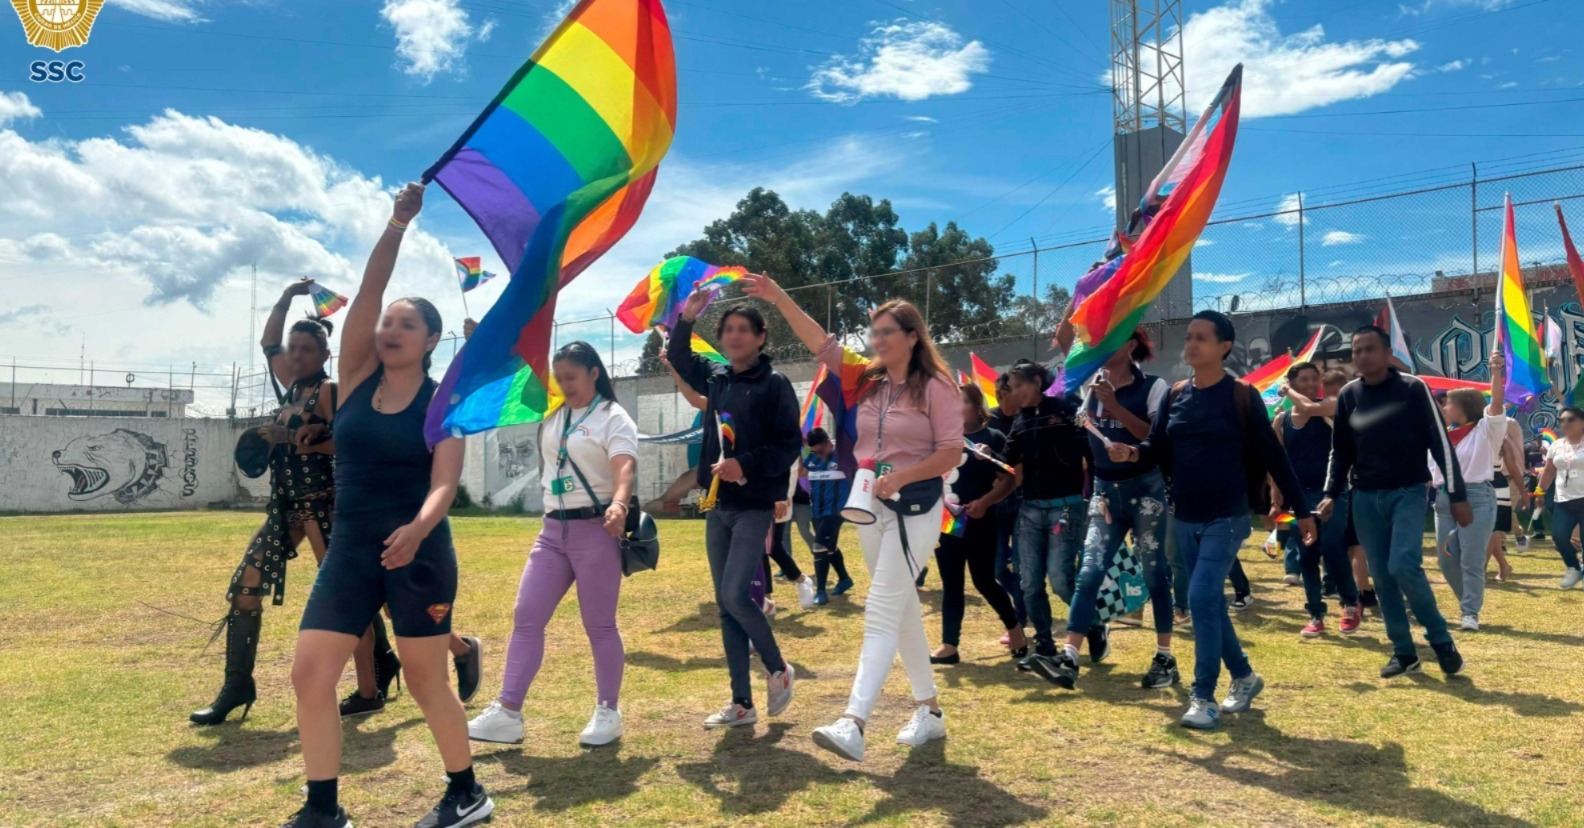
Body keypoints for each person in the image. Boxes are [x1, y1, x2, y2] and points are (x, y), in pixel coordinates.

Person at [285, 183, 492, 828]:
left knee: (425, 677)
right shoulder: (352, 379)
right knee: (310, 674)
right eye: (387, 323)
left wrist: (418, 527)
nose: (389, 328)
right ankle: (323, 808)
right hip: (350, 548)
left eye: (407, 323)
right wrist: (396, 224)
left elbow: (444, 483)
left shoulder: (443, 402)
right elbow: (368, 294)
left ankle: (467, 793)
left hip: (420, 551)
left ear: (431, 339)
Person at [746, 275, 961, 763]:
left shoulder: (938, 388)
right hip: (867, 506)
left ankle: (854, 722)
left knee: (882, 610)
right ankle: (930, 712)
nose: (876, 340)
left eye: (886, 332)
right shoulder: (866, 378)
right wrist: (778, 296)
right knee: (901, 608)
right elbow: (820, 343)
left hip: (915, 509)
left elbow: (949, 452)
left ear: (912, 337)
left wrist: (903, 477)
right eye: (873, 332)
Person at [192, 282, 399, 725]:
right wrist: (286, 298)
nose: (296, 356)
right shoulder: (290, 389)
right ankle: (237, 686)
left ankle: (370, 687)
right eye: (294, 350)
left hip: (325, 509)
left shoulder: (329, 390)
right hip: (285, 509)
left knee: (348, 600)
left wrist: (294, 440)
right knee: (245, 585)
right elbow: (269, 343)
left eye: (306, 350)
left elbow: (349, 443)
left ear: (324, 355)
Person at [1115, 310, 1317, 730]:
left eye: (1202, 338)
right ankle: (1244, 675)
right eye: (1189, 337)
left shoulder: (1242, 396)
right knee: (1208, 603)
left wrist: (1302, 510)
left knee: (1202, 596)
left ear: (1224, 347)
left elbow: (1273, 456)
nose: (1191, 345)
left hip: (1227, 515)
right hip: (1184, 515)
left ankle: (1202, 695)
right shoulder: (1175, 395)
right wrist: (1133, 453)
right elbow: (1156, 446)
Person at [467, 342, 637, 748]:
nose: (564, 385)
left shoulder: (613, 417)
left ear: (594, 373)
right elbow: (520, 373)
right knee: (526, 616)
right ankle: (508, 712)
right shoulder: (554, 412)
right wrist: (486, 344)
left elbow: (624, 467)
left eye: (571, 378)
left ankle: (607, 712)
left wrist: (619, 503)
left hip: (596, 530)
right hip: (552, 532)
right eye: (559, 378)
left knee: (599, 625)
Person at [667, 293, 802, 731]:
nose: (734, 336)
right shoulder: (717, 377)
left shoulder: (775, 384)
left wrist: (747, 463)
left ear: (761, 338)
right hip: (717, 506)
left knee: (733, 595)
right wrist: (687, 318)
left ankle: (778, 668)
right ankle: (741, 704)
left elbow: (787, 445)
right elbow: (679, 357)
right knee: (727, 607)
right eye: (728, 330)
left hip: (752, 507)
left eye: (744, 329)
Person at [1322, 325, 1466, 681]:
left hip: (1408, 491)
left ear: (1387, 354)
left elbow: (1440, 443)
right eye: (1356, 350)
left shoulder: (1412, 388)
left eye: (1369, 349)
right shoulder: (1348, 396)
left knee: (1403, 564)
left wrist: (1458, 494)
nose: (1362, 356)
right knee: (1383, 578)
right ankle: (1403, 652)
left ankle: (1441, 639)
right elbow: (1340, 452)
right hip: (1365, 496)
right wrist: (1329, 494)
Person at [1046, 329, 1181, 690]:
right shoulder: (1091, 382)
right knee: (1089, 570)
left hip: (1146, 489)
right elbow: (1065, 341)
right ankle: (1070, 655)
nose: (1100, 349)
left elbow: (1156, 438)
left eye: (1111, 341)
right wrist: (1087, 292)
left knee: (1155, 574)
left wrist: (1117, 407)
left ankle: (1165, 655)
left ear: (1131, 345)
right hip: (1105, 492)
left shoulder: (1154, 386)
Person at [987, 359, 1096, 680]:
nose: (1015, 392)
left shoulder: (1066, 408)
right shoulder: (1021, 420)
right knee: (1029, 582)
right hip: (1030, 509)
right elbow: (1007, 461)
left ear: (1037, 381)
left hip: (1067, 506)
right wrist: (985, 456)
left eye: (1020, 385)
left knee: (1061, 579)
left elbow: (1090, 449)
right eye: (1011, 387)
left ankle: (1094, 625)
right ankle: (1045, 647)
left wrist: (1098, 493)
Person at [931, 383, 1025, 664]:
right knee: (951, 583)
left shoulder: (992, 437)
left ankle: (1016, 630)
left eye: (963, 402)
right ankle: (949, 645)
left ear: (976, 406)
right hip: (949, 518)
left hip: (981, 518)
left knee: (984, 580)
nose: (956, 408)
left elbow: (1010, 479)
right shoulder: (942, 439)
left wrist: (984, 502)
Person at [1272, 362, 1362, 640]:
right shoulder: (1281, 421)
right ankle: (1315, 614)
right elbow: (1278, 463)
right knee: (1307, 555)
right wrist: (1276, 499)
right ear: (1293, 381)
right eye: (1305, 380)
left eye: (1315, 379)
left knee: (1333, 545)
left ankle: (1350, 603)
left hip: (1332, 494)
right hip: (1299, 497)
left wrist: (1288, 391)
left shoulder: (1332, 405)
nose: (1312, 385)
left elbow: (1309, 408)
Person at [986, 375, 1030, 643]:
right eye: (1013, 389)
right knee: (999, 568)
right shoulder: (988, 421)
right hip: (994, 501)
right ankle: (1022, 607)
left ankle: (1021, 618)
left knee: (1023, 568)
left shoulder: (1026, 418)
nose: (1018, 393)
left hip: (1023, 501)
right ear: (1002, 392)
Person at [802, 428, 856, 605]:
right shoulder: (813, 456)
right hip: (817, 510)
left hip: (835, 510)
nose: (817, 454)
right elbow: (802, 472)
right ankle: (845, 579)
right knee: (829, 547)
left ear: (828, 443)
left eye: (819, 450)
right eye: (813, 451)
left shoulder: (843, 455)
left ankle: (821, 592)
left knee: (819, 546)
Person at [1537, 406, 1584, 589]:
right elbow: (1549, 472)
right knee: (1559, 536)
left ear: (1582, 422)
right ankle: (1573, 567)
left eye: (1570, 419)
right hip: (1564, 500)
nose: (1565, 423)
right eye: (1561, 420)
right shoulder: (1557, 445)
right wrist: (1540, 493)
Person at [1486, 412, 1525, 582]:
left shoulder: (1505, 426)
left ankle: (1482, 568)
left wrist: (1523, 490)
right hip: (1488, 479)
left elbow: (1511, 460)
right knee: (1492, 527)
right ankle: (1503, 565)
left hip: (1502, 478)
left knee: (1494, 526)